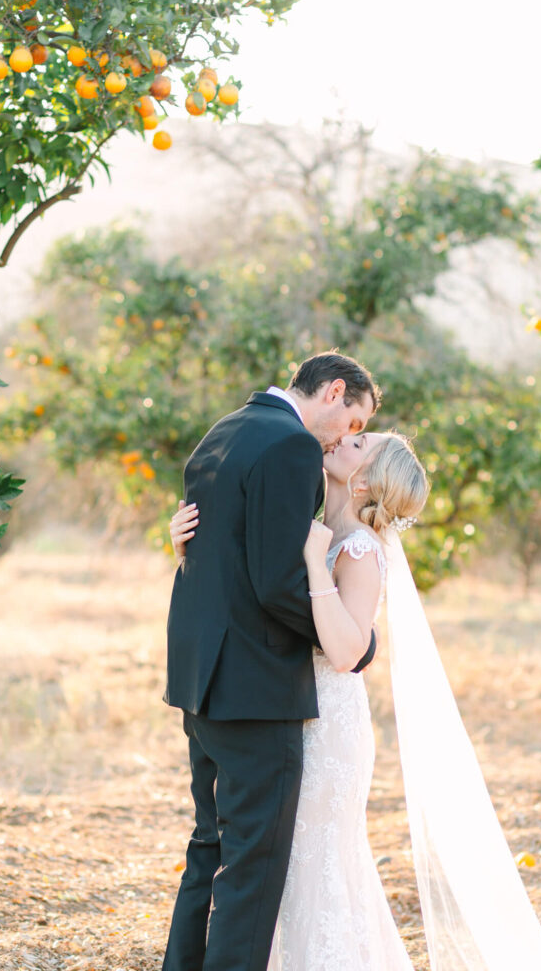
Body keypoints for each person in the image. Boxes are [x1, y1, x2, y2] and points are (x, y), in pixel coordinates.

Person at [170, 428, 541, 971]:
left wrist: (314, 564)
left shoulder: (357, 547)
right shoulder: (309, 520)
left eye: (358, 445)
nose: (338, 441)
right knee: (279, 871)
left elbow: (347, 650)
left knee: (317, 868)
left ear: (365, 480)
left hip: (328, 726)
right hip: (285, 710)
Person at [160, 352, 381, 971]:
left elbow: (215, 550)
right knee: (253, 866)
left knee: (210, 845)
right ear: (334, 391)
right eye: (352, 421)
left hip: (200, 678)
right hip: (256, 690)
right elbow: (276, 583)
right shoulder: (291, 447)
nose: (346, 437)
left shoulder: (225, 429)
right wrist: (349, 644)